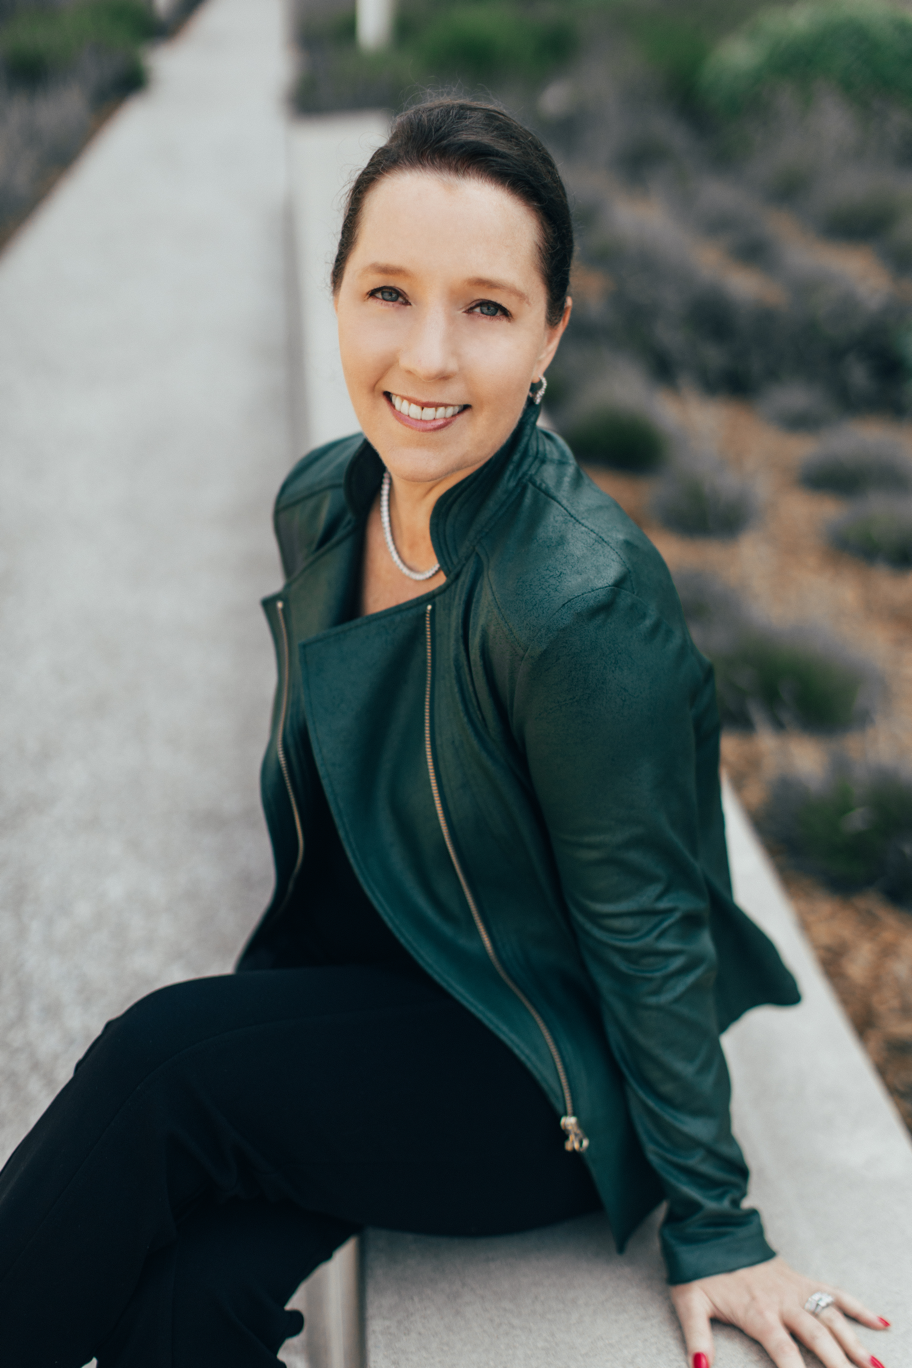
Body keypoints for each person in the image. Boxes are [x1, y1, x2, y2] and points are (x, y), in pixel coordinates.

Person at [0, 98, 891, 1368]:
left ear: (551, 333)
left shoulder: (577, 602)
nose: (426, 357)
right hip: (402, 991)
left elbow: (648, 926)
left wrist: (718, 1225)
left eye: (485, 308)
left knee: (161, 1065)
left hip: (544, 1073)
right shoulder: (324, 503)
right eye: (388, 293)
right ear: (338, 296)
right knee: (191, 1304)